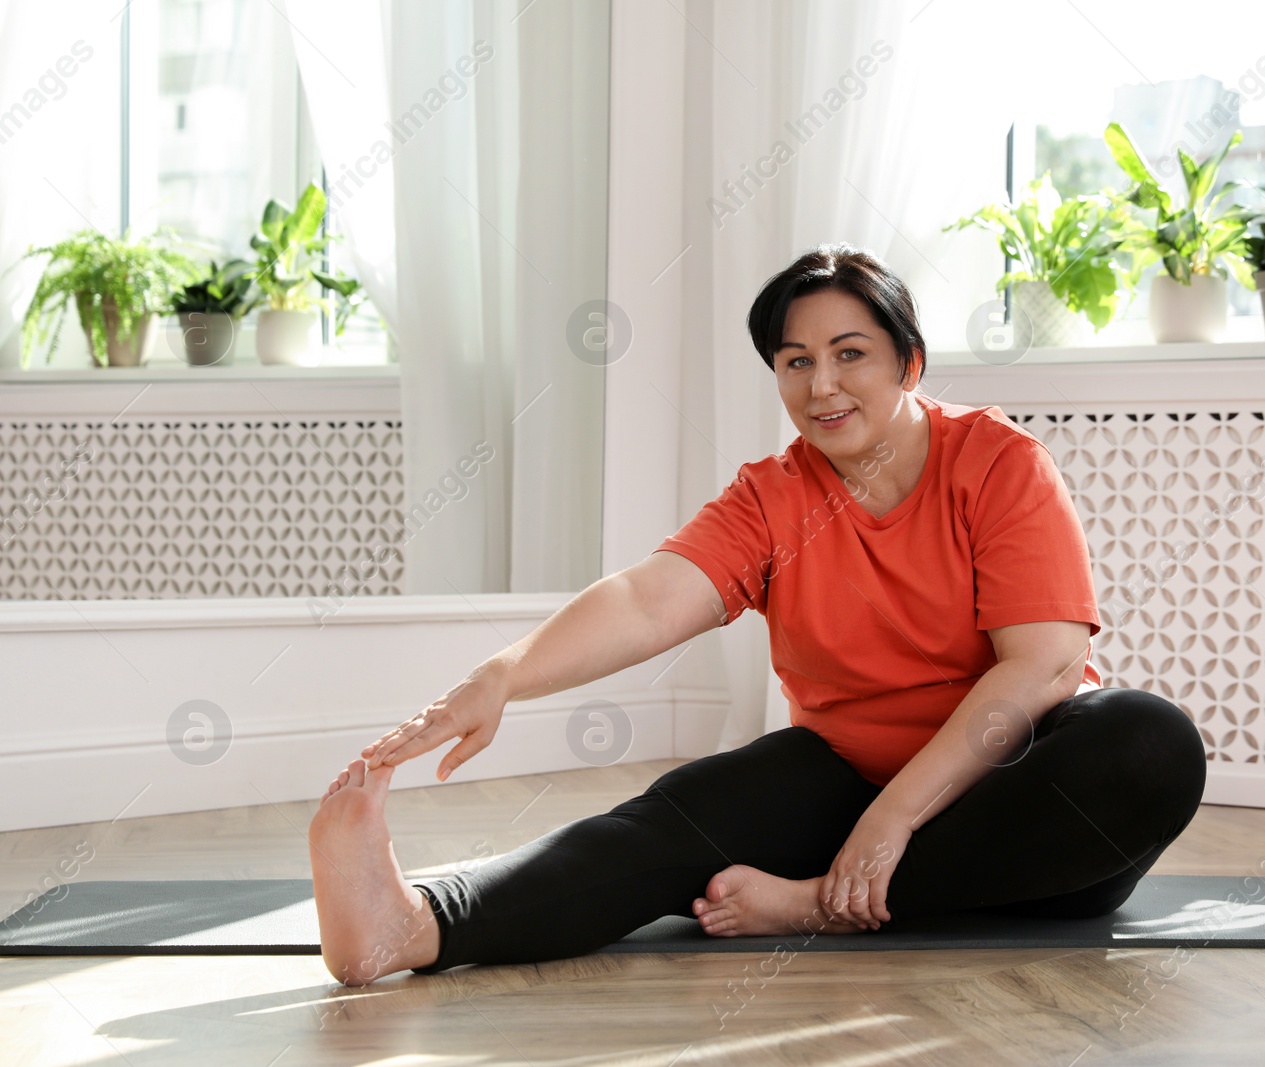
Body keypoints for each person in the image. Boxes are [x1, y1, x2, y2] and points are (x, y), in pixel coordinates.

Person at [307, 243, 1207, 986]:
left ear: (909, 362)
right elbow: (649, 597)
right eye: (796, 361)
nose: (823, 384)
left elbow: (1042, 666)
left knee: (1146, 736)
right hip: (847, 777)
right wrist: (505, 674)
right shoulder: (774, 497)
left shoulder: (999, 463)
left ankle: (821, 903)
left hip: (1023, 814)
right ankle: (413, 925)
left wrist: (886, 826)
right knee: (669, 821)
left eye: (851, 353)